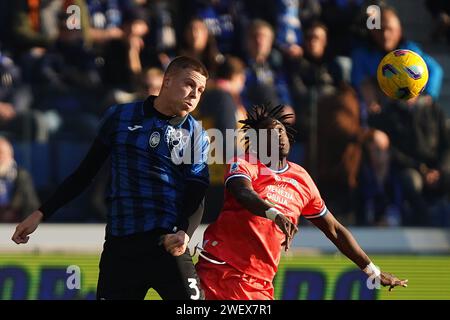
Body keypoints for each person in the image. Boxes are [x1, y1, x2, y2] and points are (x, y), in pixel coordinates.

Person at [11, 56, 210, 300]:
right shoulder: (120, 117)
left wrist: (184, 231)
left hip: (167, 243)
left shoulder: (196, 133)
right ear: (166, 81)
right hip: (121, 248)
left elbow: (197, 190)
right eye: (189, 84)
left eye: (200, 90)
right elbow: (85, 173)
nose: (194, 94)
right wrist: (40, 213)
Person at [195, 104, 408, 300]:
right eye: (269, 132)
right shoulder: (245, 163)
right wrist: (274, 213)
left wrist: (372, 271)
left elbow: (334, 229)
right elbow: (242, 192)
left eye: (281, 130)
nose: (279, 134)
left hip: (260, 283)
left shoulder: (301, 178)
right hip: (221, 270)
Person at [0, 136, 40, 222]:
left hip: (16, 222)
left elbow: (30, 203)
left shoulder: (22, 175)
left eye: (1, 153)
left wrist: (13, 210)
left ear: (10, 155)